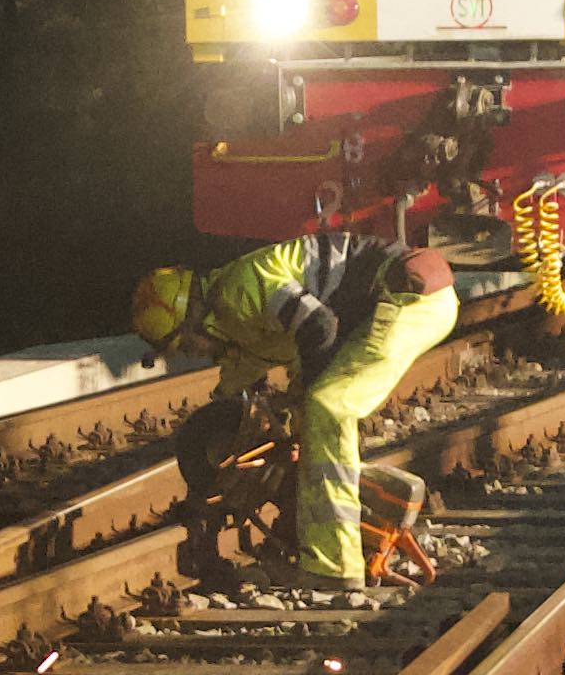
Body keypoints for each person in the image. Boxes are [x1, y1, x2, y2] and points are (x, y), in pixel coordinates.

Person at [133, 230, 460, 587]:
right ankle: (369, 512)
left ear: (191, 316)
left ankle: (333, 567)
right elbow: (236, 388)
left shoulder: (241, 288)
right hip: (404, 297)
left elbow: (320, 326)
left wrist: (304, 401)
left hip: (411, 296)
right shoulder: (232, 325)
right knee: (313, 418)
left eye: (182, 345)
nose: (189, 354)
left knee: (328, 407)